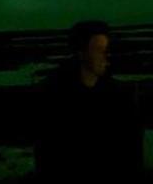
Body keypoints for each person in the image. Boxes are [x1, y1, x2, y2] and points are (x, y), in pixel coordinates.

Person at [33, 18, 143, 181]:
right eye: (100, 50)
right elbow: (46, 152)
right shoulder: (53, 95)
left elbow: (132, 147)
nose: (106, 57)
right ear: (81, 53)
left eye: (107, 50)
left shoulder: (118, 96)